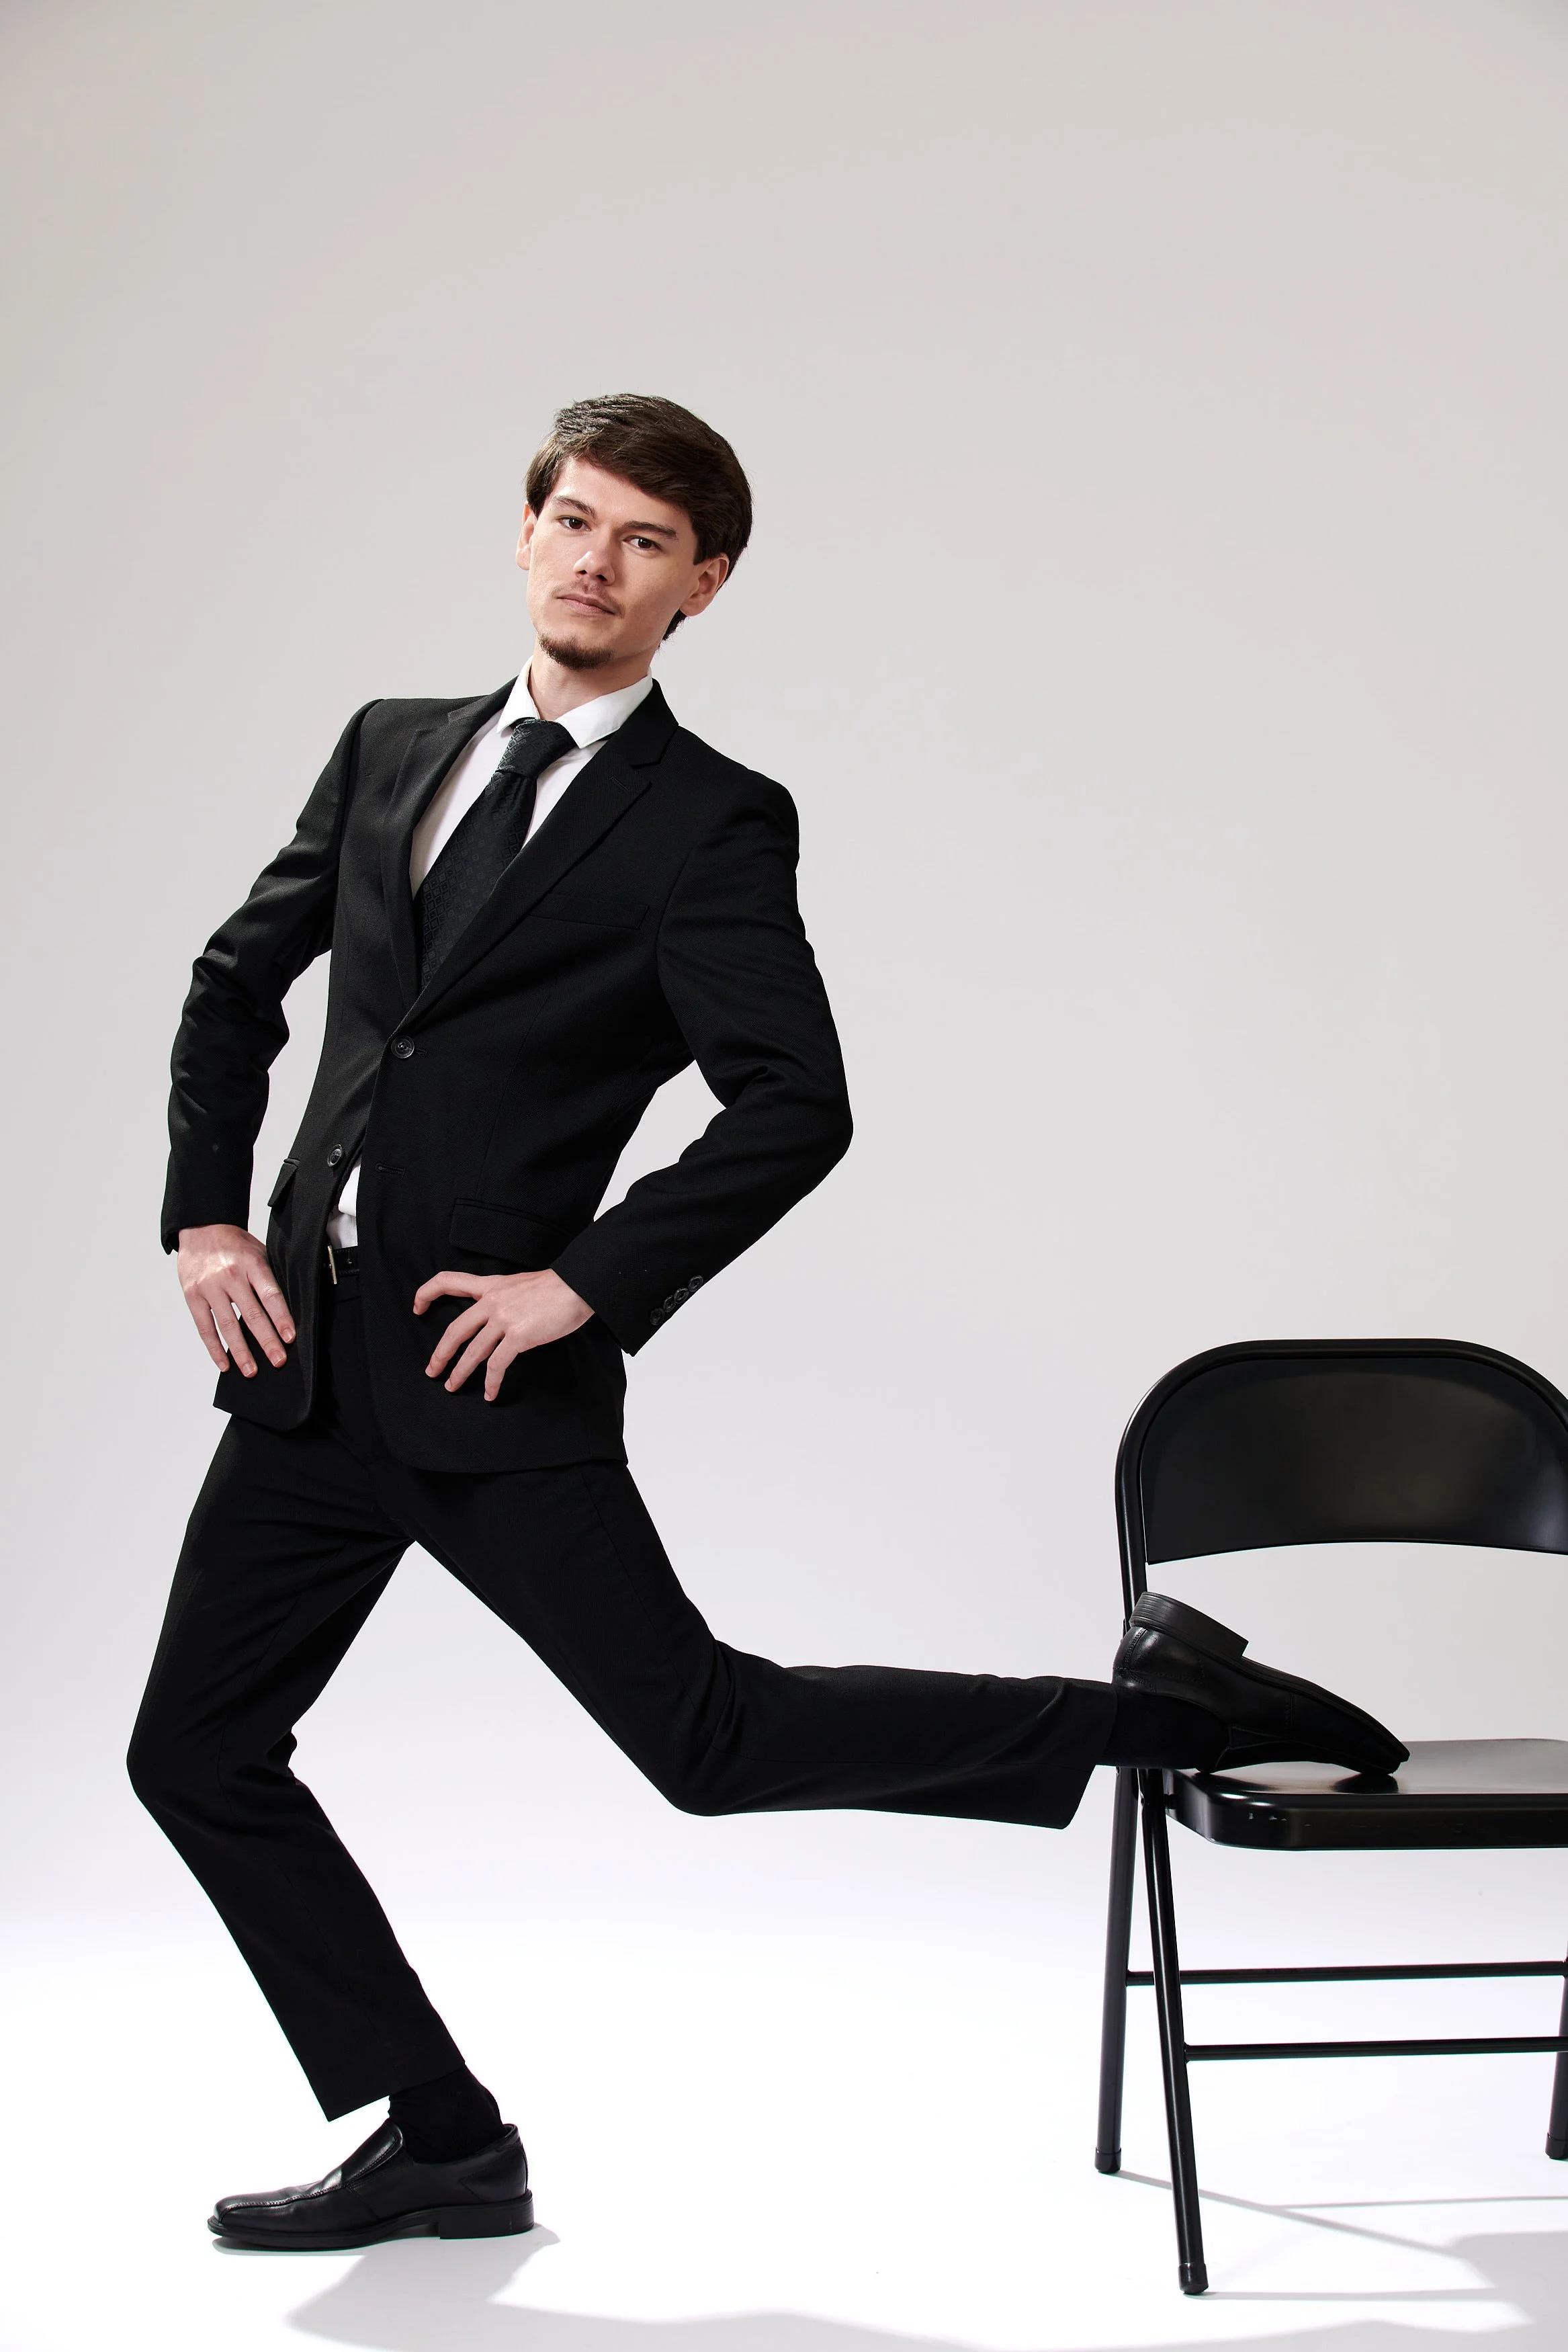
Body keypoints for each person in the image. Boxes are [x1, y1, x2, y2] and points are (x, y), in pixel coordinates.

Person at [130, 394, 1405, 2253]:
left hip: (495, 1385)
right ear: (521, 531)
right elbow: (238, 982)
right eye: (571, 519)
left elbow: (792, 1099)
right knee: (196, 1752)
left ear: (700, 584)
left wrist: (586, 1279)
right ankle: (443, 2134)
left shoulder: (707, 823)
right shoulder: (390, 749)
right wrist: (202, 1214)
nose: (594, 558)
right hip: (308, 1374)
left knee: (706, 1744)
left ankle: (1137, 1715)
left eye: (642, 540)